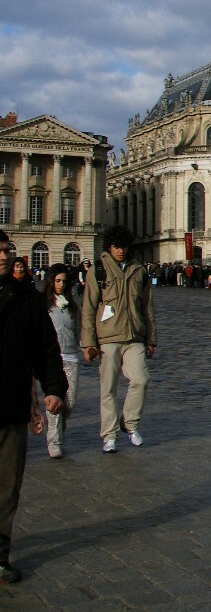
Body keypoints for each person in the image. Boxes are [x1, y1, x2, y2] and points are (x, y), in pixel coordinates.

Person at [0, 229, 68, 583]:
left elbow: (46, 347)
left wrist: (53, 387)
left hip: (10, 404)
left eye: (5, 250)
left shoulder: (26, 298)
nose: (3, 256)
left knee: (7, 486)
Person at [81, 225, 157, 454]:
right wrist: (88, 343)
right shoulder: (98, 270)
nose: (121, 251)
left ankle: (130, 423)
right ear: (109, 247)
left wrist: (151, 339)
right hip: (108, 336)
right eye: (116, 247)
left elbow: (147, 307)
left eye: (124, 246)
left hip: (134, 335)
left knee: (141, 380)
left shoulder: (139, 270)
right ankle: (109, 435)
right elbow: (88, 308)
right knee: (108, 389)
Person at [42, 263, 82, 459]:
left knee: (70, 402)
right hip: (52, 358)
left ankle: (58, 429)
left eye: (64, 281)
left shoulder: (72, 306)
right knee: (55, 400)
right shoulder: (44, 306)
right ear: (51, 282)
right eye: (57, 281)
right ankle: (54, 441)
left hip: (71, 356)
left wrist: (87, 346)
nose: (61, 285)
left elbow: (79, 330)